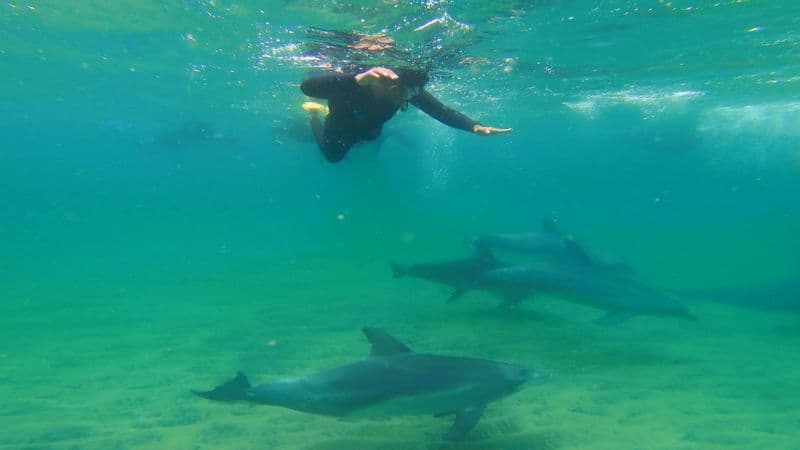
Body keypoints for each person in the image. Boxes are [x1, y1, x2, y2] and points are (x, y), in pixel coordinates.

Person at [299, 66, 512, 163]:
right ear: (391, 87)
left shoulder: (407, 91)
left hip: (371, 128)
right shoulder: (360, 81)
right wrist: (355, 79)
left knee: (369, 137)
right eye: (402, 95)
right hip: (341, 124)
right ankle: (314, 115)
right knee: (333, 156)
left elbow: (440, 111)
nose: (406, 101)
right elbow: (307, 88)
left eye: (410, 95)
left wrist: (473, 126)